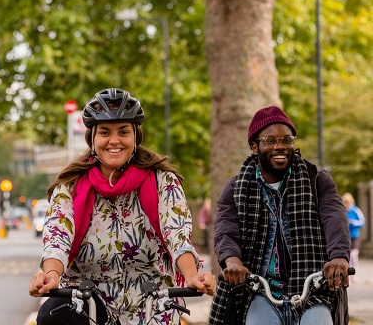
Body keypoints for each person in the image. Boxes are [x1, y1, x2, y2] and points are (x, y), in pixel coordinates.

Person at [28, 88, 216, 325]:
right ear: (92, 139)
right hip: (89, 303)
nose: (114, 141)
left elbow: (177, 236)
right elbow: (58, 240)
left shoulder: (163, 181)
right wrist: (52, 276)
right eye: (105, 132)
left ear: (135, 137)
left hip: (152, 303)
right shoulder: (70, 186)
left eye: (123, 132)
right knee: (50, 314)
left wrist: (192, 276)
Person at [208, 106, 351, 325]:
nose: (280, 147)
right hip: (260, 291)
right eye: (271, 140)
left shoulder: (317, 180)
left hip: (312, 289)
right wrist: (233, 261)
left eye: (287, 140)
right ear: (255, 147)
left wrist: (339, 256)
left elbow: (335, 217)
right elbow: (226, 228)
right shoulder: (236, 187)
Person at [342, 192, 366, 270]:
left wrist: (353, 222)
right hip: (345, 236)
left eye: (348, 203)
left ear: (351, 202)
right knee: (346, 255)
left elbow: (363, 222)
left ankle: (354, 271)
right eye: (345, 203)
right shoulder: (342, 211)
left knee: (354, 254)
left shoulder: (356, 210)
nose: (347, 205)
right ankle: (347, 271)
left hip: (355, 236)